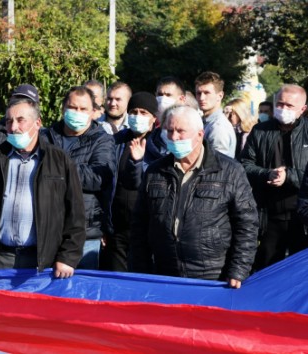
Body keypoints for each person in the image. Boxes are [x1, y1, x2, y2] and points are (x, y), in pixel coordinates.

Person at [131, 105, 258, 288]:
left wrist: (238, 270)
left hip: (212, 276)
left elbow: (247, 224)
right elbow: (139, 224)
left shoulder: (229, 171)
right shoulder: (155, 171)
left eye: (181, 131)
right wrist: (139, 270)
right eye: (169, 131)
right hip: (164, 274)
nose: (174, 137)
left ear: (200, 134)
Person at [0, 98, 86, 280]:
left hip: (42, 262)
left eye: (20, 120)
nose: (13, 127)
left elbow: (75, 215)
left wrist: (68, 257)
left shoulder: (59, 161)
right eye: (8, 121)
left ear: (37, 123)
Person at [42, 86, 116, 270]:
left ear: (94, 113)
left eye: (83, 109)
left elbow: (98, 178)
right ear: (63, 109)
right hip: (46, 229)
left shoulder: (102, 140)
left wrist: (59, 167)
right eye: (73, 108)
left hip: (84, 234)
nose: (77, 113)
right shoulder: (45, 137)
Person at [240, 84, 308, 271]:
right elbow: (244, 165)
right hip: (268, 216)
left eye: (289, 106)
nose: (283, 109)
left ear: (302, 109)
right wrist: (266, 174)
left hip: (301, 217)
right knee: (267, 270)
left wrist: (289, 176)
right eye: (280, 104)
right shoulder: (260, 131)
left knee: (299, 275)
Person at [104, 92, 158, 272]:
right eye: (134, 111)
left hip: (145, 228)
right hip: (118, 227)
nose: (137, 116)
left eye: (144, 113)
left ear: (153, 118)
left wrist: (137, 162)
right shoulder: (117, 141)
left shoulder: (158, 144)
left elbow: (142, 182)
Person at [194, 71, 236, 158]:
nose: (201, 98)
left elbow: (217, 165)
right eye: (198, 93)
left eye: (207, 93)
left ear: (220, 96)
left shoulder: (218, 127)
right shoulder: (206, 122)